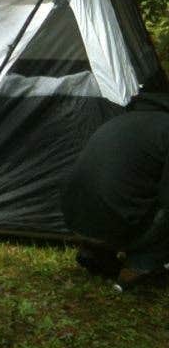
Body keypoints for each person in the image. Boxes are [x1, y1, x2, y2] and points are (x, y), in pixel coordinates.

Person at [61, 107, 169, 292]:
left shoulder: (137, 120)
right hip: (113, 221)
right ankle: (139, 268)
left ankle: (95, 252)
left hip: (73, 217)